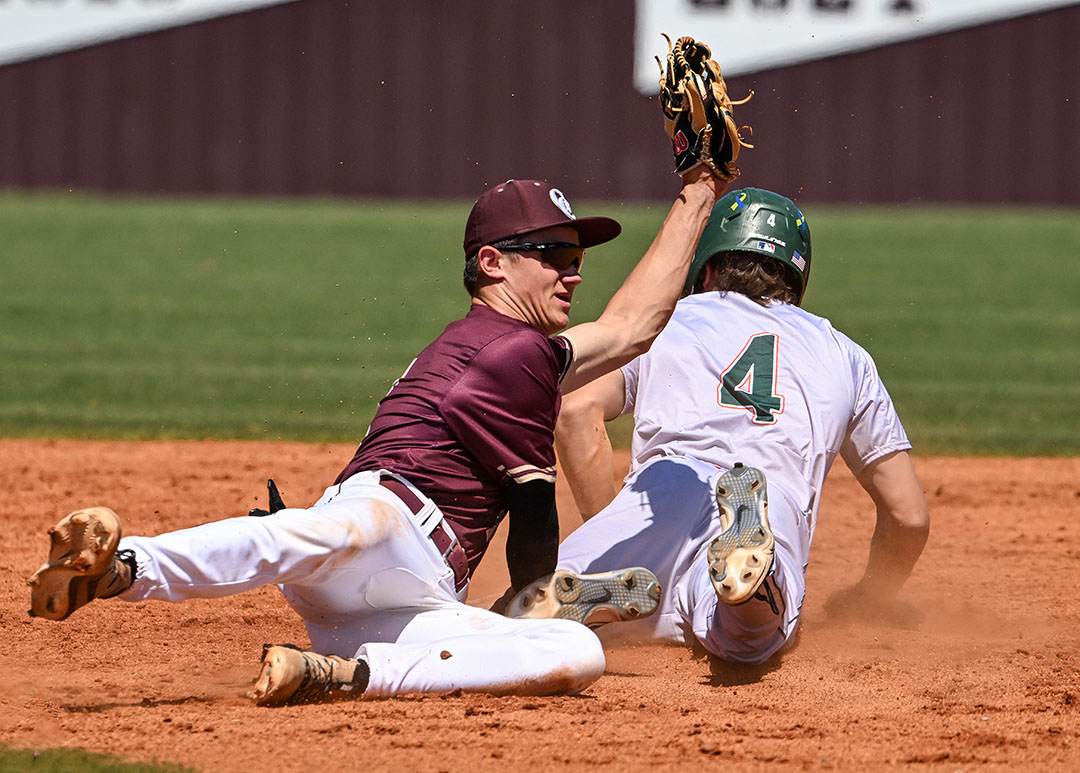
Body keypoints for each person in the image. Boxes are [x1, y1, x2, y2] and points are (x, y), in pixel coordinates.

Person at [27, 167, 729, 704]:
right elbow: (534, 523)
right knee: (328, 532)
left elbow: (632, 327)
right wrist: (531, 594)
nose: (572, 272)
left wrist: (700, 190)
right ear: (493, 263)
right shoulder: (513, 353)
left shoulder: (516, 349)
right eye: (552, 252)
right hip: (391, 527)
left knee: (577, 653)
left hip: (400, 601)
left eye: (577, 257)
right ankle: (122, 569)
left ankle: (346, 673)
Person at [509, 187, 930, 665]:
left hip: (662, 488)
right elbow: (908, 516)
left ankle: (593, 577)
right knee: (744, 640)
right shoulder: (845, 355)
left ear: (705, 268)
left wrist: (614, 526)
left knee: (516, 623)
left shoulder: (663, 323)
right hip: (769, 496)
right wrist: (873, 598)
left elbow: (575, 409)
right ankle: (752, 586)